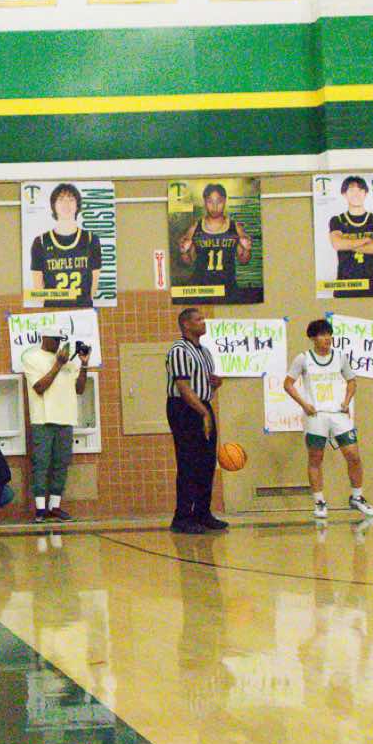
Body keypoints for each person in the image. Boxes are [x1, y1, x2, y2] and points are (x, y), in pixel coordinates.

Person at [282, 318, 373, 521]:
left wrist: (347, 401)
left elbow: (352, 381)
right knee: (316, 458)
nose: (327, 338)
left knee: (353, 455)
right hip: (316, 415)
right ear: (313, 338)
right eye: (322, 335)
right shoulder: (303, 358)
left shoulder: (340, 357)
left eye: (329, 334)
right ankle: (319, 501)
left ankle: (357, 497)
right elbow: (288, 384)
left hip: (338, 414)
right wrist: (304, 404)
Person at [167, 306, 228, 534]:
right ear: (186, 324)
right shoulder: (178, 350)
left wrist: (215, 383)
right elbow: (183, 388)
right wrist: (203, 413)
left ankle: (202, 513)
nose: (204, 322)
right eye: (199, 319)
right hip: (184, 408)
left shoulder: (205, 352)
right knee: (188, 463)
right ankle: (182, 517)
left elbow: (202, 384)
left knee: (207, 462)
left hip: (203, 405)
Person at [21, 330, 89, 522]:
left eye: (60, 340)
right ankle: (40, 509)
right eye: (55, 340)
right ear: (45, 338)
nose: (58, 343)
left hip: (66, 418)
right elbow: (39, 387)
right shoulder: (32, 357)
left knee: (61, 463)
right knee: (41, 464)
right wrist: (58, 364)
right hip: (43, 419)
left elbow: (80, 389)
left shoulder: (69, 361)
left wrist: (84, 365)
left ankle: (55, 506)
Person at [29, 182, 104, 308]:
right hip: (54, 312)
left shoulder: (91, 240)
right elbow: (38, 290)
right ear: (53, 205)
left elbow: (93, 288)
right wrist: (64, 298)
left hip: (82, 310)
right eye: (61, 200)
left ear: (77, 205)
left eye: (71, 200)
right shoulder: (40, 242)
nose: (66, 204)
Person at [177, 182, 253, 300]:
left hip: (228, 288)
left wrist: (247, 249)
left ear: (225, 201)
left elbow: (244, 260)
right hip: (201, 289)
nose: (215, 206)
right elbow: (188, 262)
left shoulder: (235, 227)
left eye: (219, 201)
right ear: (204, 202)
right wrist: (183, 252)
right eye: (210, 201)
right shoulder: (195, 227)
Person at [326, 174, 373, 297]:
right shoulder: (337, 220)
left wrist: (348, 245)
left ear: (366, 193)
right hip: (345, 284)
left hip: (370, 284)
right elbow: (337, 244)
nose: (356, 194)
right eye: (352, 190)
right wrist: (366, 240)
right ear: (344, 194)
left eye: (360, 190)